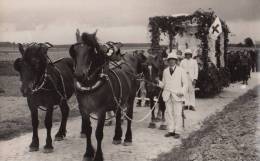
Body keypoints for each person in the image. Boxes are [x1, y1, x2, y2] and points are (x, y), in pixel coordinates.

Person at [157, 50, 188, 139]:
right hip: (167, 95)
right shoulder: (165, 71)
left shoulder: (181, 70)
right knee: (169, 113)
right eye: (169, 60)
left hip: (177, 95)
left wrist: (182, 92)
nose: (171, 61)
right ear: (168, 61)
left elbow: (185, 84)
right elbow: (163, 84)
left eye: (173, 59)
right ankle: (171, 130)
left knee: (177, 113)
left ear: (176, 61)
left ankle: (177, 131)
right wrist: (158, 82)